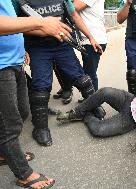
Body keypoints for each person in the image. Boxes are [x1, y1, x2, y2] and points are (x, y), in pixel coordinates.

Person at [0, 1, 72, 188]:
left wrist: (19, 46)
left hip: (14, 61)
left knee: (23, 111)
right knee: (9, 125)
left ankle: (4, 152)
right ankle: (24, 174)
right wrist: (40, 23)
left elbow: (9, 22)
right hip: (1, 66)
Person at [12, 0, 103, 147]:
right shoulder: (19, 1)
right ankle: (40, 128)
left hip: (62, 45)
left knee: (81, 79)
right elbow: (15, 25)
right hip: (37, 48)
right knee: (41, 88)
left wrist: (90, 37)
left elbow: (74, 15)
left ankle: (94, 106)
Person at [56, 64, 136, 138]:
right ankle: (77, 112)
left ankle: (86, 114)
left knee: (97, 130)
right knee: (104, 91)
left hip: (134, 120)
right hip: (131, 101)